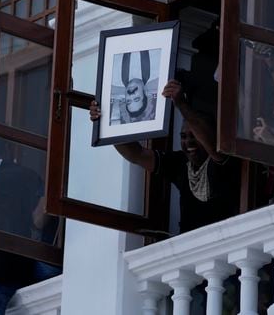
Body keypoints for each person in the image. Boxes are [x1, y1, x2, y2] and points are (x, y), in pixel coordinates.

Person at [91, 78, 239, 233]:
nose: (188, 142)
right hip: (189, 249)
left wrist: (181, 104)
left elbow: (213, 147)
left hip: (222, 246)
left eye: (194, 135)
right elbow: (137, 154)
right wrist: (106, 122)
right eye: (183, 136)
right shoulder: (180, 163)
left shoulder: (224, 160)